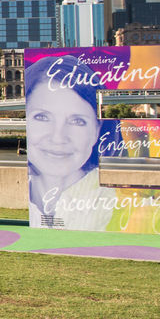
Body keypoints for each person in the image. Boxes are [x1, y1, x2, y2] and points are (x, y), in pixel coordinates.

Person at [25, 53, 107, 230]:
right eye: (42, 117)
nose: (58, 137)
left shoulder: (148, 214)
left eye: (77, 121)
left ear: (96, 130)